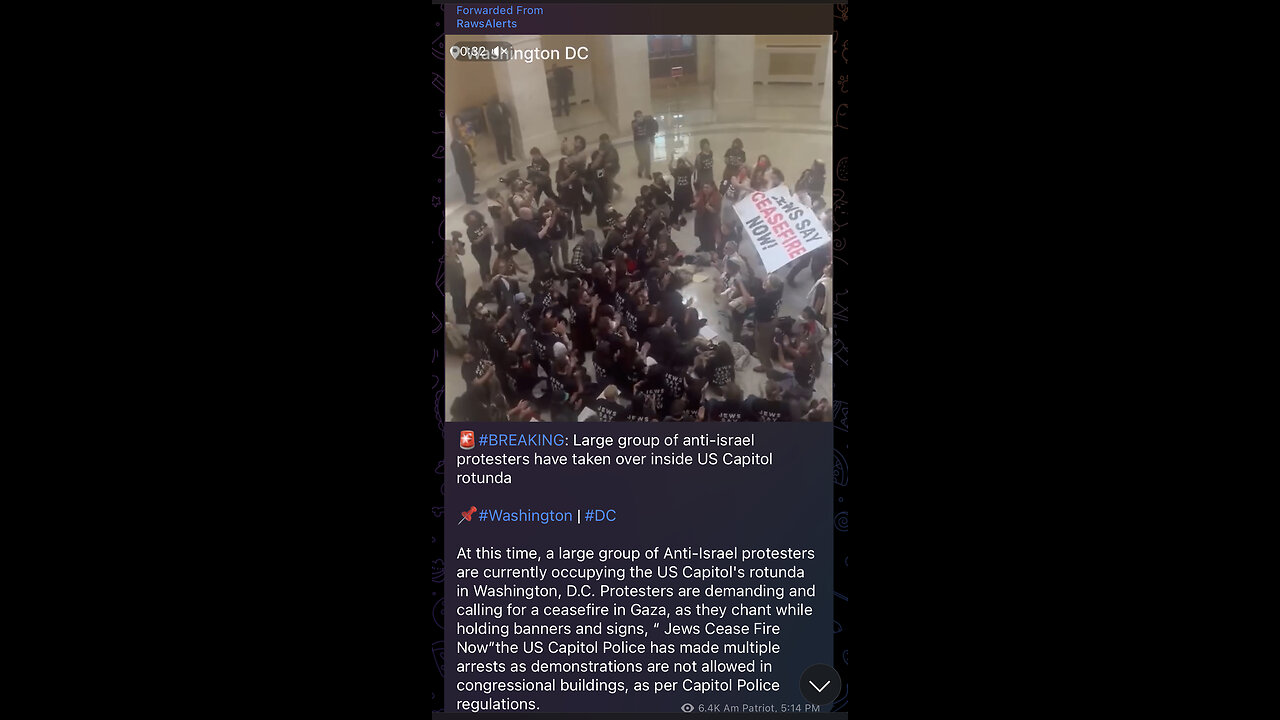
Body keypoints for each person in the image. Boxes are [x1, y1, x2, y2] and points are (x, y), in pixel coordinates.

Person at [735, 274, 784, 372]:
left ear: (773, 286)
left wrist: (740, 283)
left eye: (767, 281)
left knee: (760, 344)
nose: (764, 281)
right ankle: (764, 354)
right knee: (767, 341)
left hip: (764, 324)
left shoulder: (765, 299)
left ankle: (766, 365)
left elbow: (748, 300)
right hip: (772, 320)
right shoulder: (778, 292)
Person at [507, 206, 557, 281]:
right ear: (526, 216)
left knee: (543, 264)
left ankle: (549, 276)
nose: (532, 215)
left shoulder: (524, 220)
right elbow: (538, 236)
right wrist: (547, 225)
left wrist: (545, 214)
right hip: (537, 250)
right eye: (530, 214)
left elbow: (537, 217)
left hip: (540, 247)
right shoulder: (525, 227)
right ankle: (540, 281)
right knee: (541, 266)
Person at [463, 210, 493, 284]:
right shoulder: (469, 230)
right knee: (483, 265)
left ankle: (489, 277)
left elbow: (489, 232)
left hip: (487, 247)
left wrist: (492, 241)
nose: (473, 218)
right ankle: (485, 281)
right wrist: (484, 234)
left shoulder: (483, 224)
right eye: (471, 217)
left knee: (487, 263)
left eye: (474, 216)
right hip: (477, 250)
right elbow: (475, 242)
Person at [446, 232, 468, 324]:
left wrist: (457, 243)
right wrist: (453, 250)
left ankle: (464, 316)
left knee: (462, 299)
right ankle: (461, 321)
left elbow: (462, 252)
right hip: (452, 281)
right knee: (457, 301)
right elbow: (448, 260)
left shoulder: (448, 242)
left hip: (460, 277)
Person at [486, 99, 516, 164]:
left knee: (508, 143)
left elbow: (508, 113)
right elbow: (491, 119)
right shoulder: (489, 108)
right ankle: (502, 159)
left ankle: (509, 156)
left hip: (506, 128)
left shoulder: (502, 105)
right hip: (498, 130)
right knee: (500, 145)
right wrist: (501, 118)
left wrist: (503, 117)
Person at [692, 182, 720, 253]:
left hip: (711, 218)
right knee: (701, 233)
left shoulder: (716, 196)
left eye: (707, 187)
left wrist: (708, 207)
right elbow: (697, 202)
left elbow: (716, 211)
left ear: (712, 188)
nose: (705, 189)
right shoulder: (702, 194)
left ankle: (711, 248)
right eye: (704, 187)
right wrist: (695, 204)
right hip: (701, 216)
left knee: (710, 235)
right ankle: (703, 245)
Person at [451, 134, 478, 204]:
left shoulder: (463, 143)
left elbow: (469, 152)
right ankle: (469, 198)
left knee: (472, 180)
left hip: (469, 165)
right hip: (463, 168)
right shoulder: (455, 145)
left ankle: (471, 193)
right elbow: (459, 157)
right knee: (467, 183)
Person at [631, 110, 658, 179]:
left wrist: (652, 138)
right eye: (638, 116)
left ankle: (647, 173)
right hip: (638, 144)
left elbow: (651, 127)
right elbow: (636, 125)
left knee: (648, 159)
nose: (640, 118)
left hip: (645, 142)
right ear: (635, 117)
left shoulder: (646, 121)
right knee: (641, 160)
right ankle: (640, 171)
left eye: (641, 116)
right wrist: (645, 119)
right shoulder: (633, 123)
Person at [598, 134, 623, 202]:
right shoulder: (601, 147)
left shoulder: (611, 149)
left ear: (608, 140)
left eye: (604, 140)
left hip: (612, 169)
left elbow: (612, 161)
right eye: (601, 140)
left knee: (609, 182)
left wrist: (607, 164)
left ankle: (609, 199)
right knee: (601, 178)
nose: (602, 142)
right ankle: (618, 188)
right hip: (603, 168)